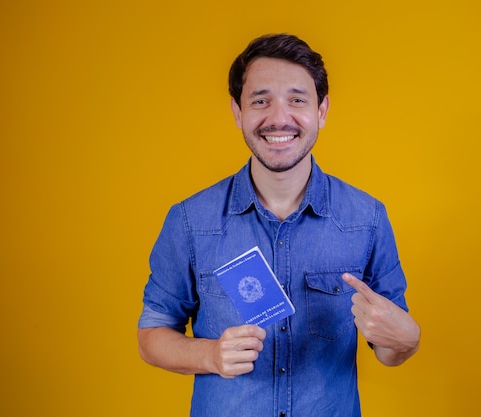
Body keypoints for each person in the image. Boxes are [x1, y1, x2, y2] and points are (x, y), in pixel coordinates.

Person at [137, 33, 420, 417]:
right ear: (238, 112)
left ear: (321, 111)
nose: (279, 118)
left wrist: (405, 342)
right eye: (261, 101)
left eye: (297, 100)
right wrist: (211, 355)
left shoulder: (367, 219)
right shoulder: (189, 220)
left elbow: (389, 348)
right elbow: (151, 336)